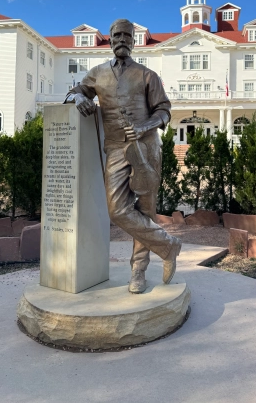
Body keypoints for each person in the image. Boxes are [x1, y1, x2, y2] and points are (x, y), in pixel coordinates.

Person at [66, 18, 181, 293]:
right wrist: (80, 98)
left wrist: (144, 126)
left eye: (126, 35)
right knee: (117, 209)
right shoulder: (96, 73)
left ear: (133, 40)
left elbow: (164, 110)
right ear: (109, 38)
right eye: (116, 35)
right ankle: (168, 245)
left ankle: (138, 271)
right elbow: (75, 92)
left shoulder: (146, 75)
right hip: (116, 148)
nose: (121, 39)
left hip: (147, 148)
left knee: (145, 210)